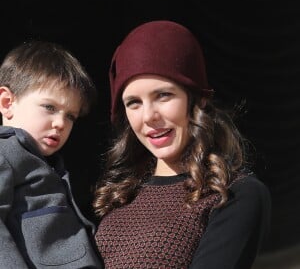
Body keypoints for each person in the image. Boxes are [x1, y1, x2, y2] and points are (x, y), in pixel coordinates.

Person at [93, 20, 271, 269]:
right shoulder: (121, 198)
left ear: (197, 100)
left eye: (163, 95)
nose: (148, 116)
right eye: (134, 102)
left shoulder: (232, 194)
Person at [0, 41, 103, 268]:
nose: (60, 123)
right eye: (49, 107)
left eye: (71, 117)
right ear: (7, 102)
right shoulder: (5, 152)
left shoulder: (49, 164)